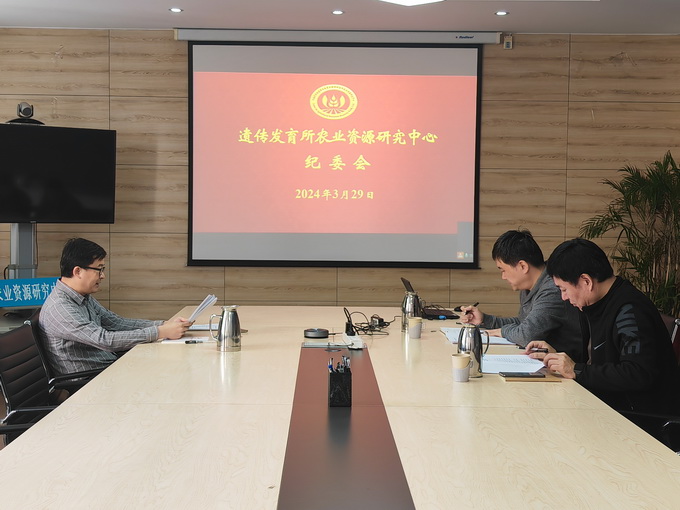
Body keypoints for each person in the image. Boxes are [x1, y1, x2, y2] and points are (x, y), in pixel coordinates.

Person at [526, 238, 680, 419]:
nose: (563, 297)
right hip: (608, 404)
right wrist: (557, 356)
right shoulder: (595, 304)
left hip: (640, 418)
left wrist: (576, 370)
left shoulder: (629, 310)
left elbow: (638, 373)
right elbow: (598, 362)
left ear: (586, 281)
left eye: (564, 289)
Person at [39, 238, 193, 375]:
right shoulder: (60, 307)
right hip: (90, 380)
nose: (103, 276)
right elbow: (104, 340)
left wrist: (164, 325)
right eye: (99, 269)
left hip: (108, 366)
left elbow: (116, 323)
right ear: (78, 271)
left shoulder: (82, 296)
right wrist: (159, 332)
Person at [460, 229, 582, 360]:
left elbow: (526, 335)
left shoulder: (553, 288)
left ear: (523, 266)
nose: (503, 277)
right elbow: (523, 323)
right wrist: (485, 320)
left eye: (503, 270)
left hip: (566, 367)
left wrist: (503, 331)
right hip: (545, 361)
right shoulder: (530, 285)